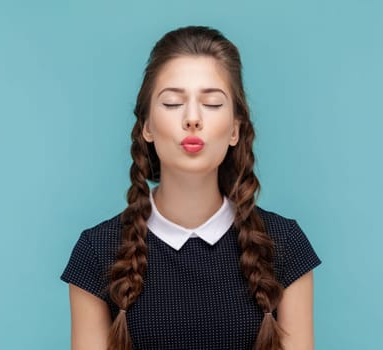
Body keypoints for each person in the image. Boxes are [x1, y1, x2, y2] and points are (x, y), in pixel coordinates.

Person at [61, 25, 321, 350]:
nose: (193, 119)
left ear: (235, 131)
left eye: (212, 104)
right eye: (172, 103)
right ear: (147, 127)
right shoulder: (97, 252)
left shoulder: (284, 246)